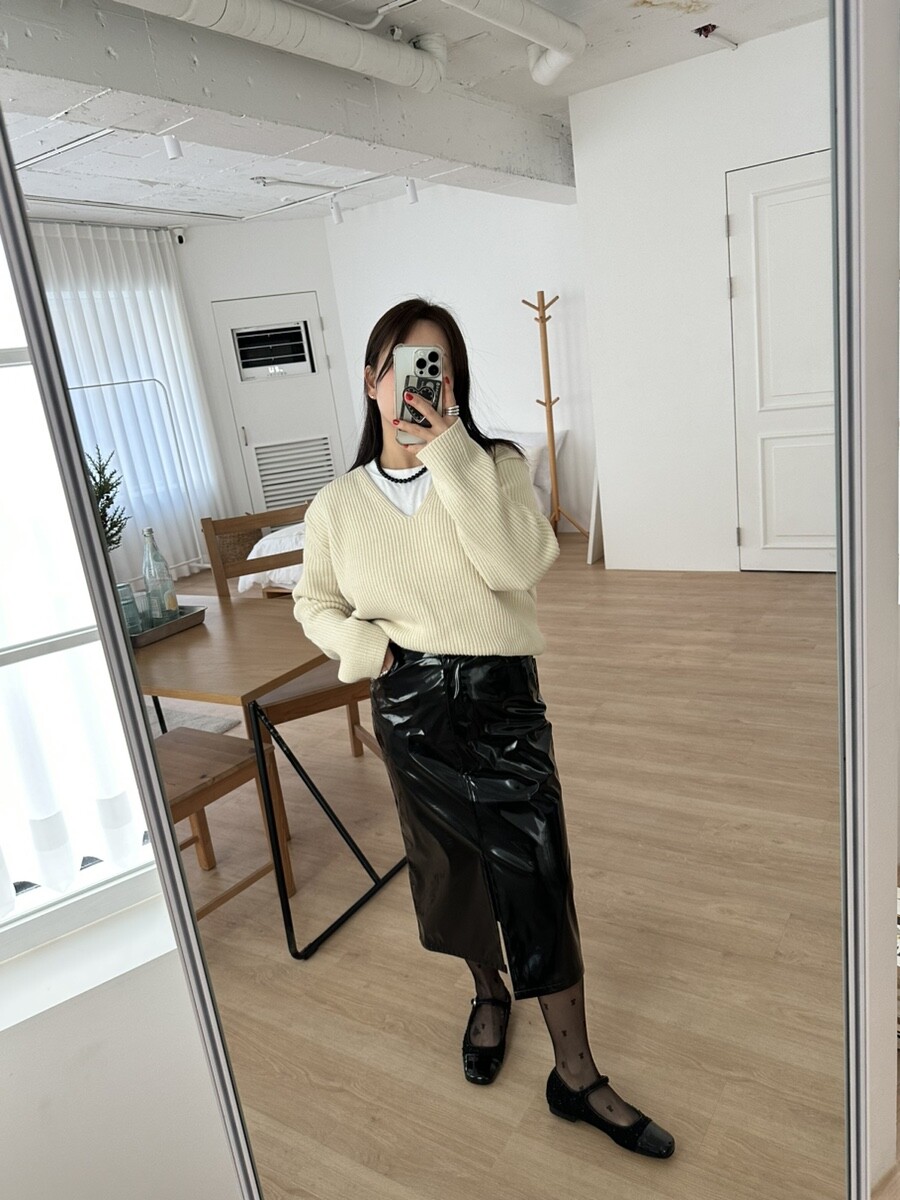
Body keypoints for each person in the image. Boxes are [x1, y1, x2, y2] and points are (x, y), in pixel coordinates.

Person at [293, 298, 675, 1160]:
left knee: (536, 870)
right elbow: (314, 601)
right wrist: (370, 650)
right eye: (402, 364)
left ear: (454, 385)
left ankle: (575, 1075)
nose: (416, 383)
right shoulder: (336, 505)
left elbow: (517, 564)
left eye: (436, 369)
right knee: (450, 869)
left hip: (501, 699)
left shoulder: (493, 465)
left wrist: (450, 450)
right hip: (409, 703)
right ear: (370, 378)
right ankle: (488, 995)